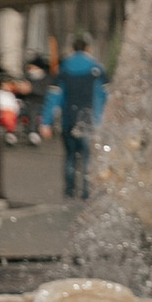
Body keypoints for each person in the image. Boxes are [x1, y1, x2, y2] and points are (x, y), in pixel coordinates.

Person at [57, 34, 105, 201]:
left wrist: (46, 121)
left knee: (70, 157)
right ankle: (86, 192)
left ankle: (69, 191)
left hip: (68, 119)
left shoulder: (64, 68)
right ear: (88, 48)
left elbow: (55, 95)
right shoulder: (97, 69)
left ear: (73, 48)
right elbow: (104, 94)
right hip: (90, 119)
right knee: (87, 158)